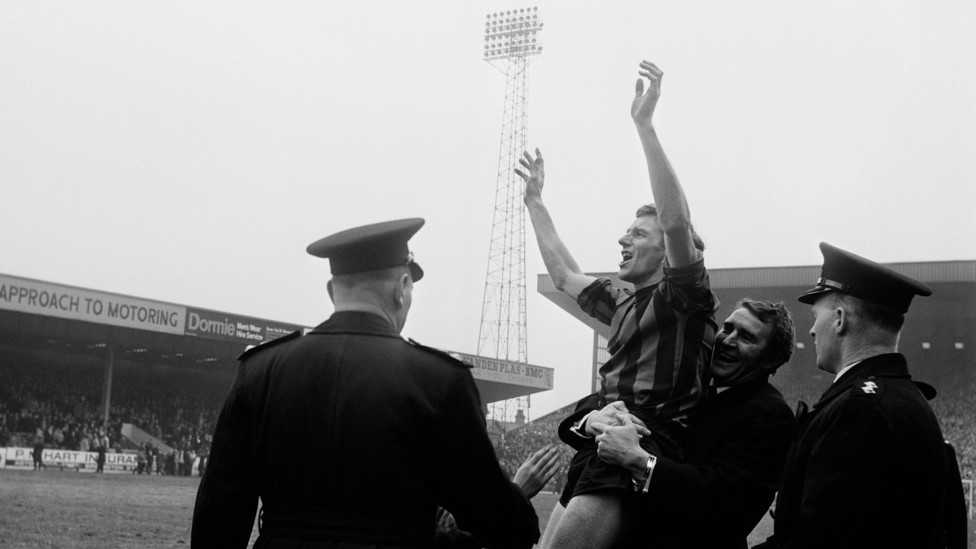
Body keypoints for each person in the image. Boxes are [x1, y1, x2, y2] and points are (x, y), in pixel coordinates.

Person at [192, 218, 542, 549]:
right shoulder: (439, 379)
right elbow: (490, 514)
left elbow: (219, 511)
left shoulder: (259, 369)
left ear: (332, 290)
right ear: (402, 288)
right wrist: (520, 506)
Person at [516, 60, 719, 549]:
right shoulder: (624, 299)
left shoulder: (684, 295)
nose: (623, 238)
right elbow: (563, 274)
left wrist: (644, 125)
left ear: (667, 249)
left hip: (640, 439)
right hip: (599, 435)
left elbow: (675, 221)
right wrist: (535, 202)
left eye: (637, 233)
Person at [758, 242, 949, 548]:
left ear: (839, 318)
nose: (811, 331)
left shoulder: (860, 411)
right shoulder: (903, 398)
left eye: (815, 317)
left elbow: (819, 539)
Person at [576, 299, 796, 548]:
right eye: (728, 327)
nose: (728, 340)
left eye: (746, 337)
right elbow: (605, 397)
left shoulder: (771, 415)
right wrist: (590, 419)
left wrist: (638, 461)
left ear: (770, 360)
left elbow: (724, 502)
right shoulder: (687, 380)